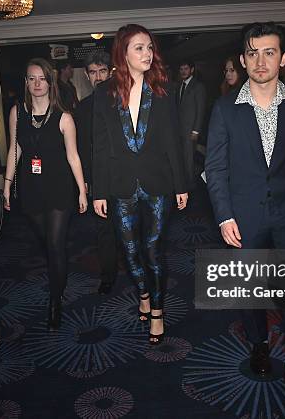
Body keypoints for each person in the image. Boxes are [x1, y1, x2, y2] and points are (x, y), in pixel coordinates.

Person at [205, 22, 285, 404]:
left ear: (283, 58)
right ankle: (258, 343)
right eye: (253, 52)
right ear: (243, 59)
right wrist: (224, 216)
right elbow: (217, 167)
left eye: (269, 52)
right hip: (244, 217)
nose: (260, 60)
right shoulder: (224, 108)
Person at [92, 24, 188, 345]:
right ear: (123, 53)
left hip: (158, 182)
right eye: (139, 48)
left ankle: (158, 312)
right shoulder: (103, 93)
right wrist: (99, 192)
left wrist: (180, 185)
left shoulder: (164, 90)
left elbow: (173, 142)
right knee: (131, 252)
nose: (147, 53)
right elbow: (100, 146)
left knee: (153, 250)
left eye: (150, 47)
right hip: (120, 185)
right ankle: (144, 292)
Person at [3, 58, 87, 330]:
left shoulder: (64, 118)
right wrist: (6, 184)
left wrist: (82, 191)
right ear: (26, 83)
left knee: (54, 245)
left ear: (50, 83)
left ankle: (55, 300)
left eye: (41, 78)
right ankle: (58, 277)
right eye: (31, 78)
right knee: (45, 242)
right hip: (30, 187)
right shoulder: (17, 113)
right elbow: (15, 150)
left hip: (59, 187)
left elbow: (74, 157)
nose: (36, 84)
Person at [75, 50, 119, 295]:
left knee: (132, 228)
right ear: (86, 75)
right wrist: (86, 183)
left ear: (111, 72)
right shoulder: (82, 109)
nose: (98, 77)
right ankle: (108, 276)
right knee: (104, 230)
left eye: (103, 71)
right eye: (93, 72)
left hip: (124, 177)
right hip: (98, 179)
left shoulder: (123, 101)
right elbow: (81, 148)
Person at [176, 60, 206, 191]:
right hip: (180, 130)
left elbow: (201, 110)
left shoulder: (197, 86)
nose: (183, 71)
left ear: (192, 70)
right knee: (182, 158)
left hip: (190, 130)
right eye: (181, 69)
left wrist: (196, 130)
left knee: (189, 159)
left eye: (186, 69)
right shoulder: (179, 86)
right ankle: (185, 183)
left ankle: (190, 187)